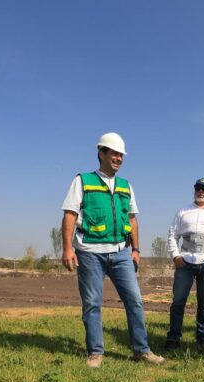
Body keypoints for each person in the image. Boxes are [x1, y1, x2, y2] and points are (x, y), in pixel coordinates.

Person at [61, 132, 165, 368]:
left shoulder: (126, 186)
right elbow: (70, 215)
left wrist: (136, 249)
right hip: (89, 252)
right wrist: (68, 248)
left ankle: (142, 351)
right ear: (101, 153)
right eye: (114, 153)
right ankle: (96, 353)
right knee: (92, 303)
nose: (119, 158)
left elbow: (133, 219)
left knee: (135, 301)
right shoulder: (83, 180)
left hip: (121, 252)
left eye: (121, 155)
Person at [165, 178, 204, 348]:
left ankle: (202, 337)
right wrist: (175, 256)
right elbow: (172, 234)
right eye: (198, 188)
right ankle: (173, 337)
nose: (201, 191)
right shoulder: (183, 211)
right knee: (178, 301)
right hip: (185, 262)